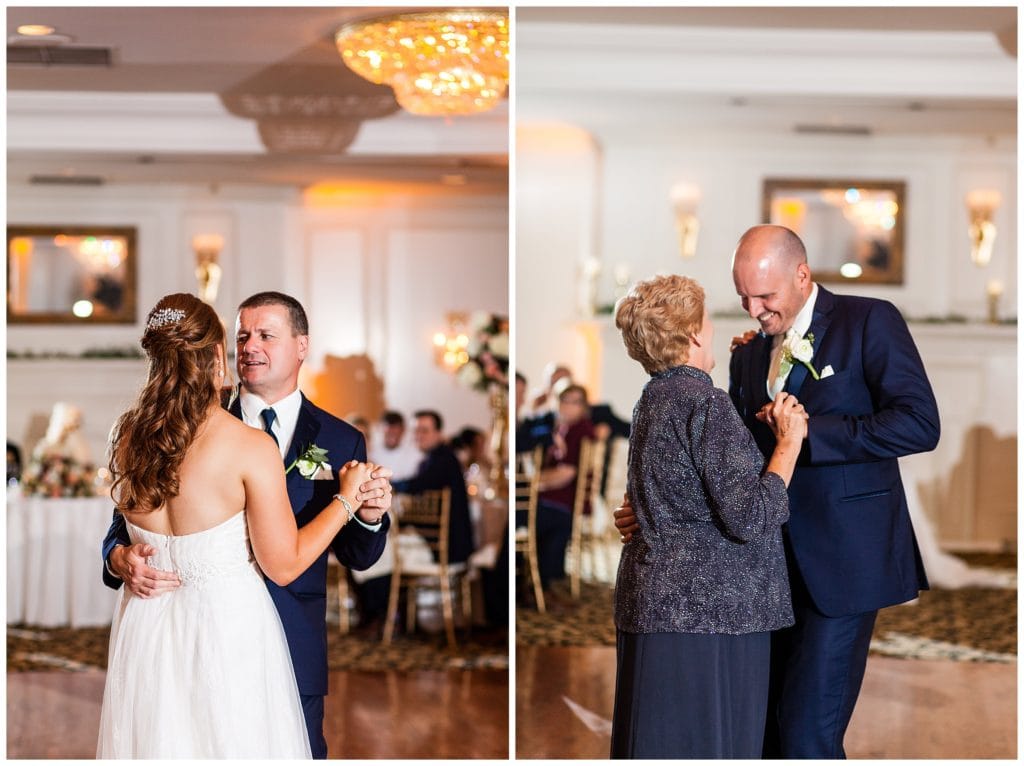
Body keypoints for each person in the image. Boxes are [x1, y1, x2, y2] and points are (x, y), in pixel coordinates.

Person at [616, 225, 940, 758]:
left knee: (809, 732)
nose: (753, 310)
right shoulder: (745, 357)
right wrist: (653, 510)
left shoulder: (869, 321)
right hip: (756, 574)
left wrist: (809, 433)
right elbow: (723, 458)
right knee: (762, 732)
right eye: (743, 296)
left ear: (802, 275)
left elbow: (919, 424)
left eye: (765, 296)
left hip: (843, 562)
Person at [102, 291, 393, 758]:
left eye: (266, 335)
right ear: (219, 353)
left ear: (302, 346)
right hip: (229, 635)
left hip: (265, 643)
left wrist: (370, 515)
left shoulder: (340, 438)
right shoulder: (239, 439)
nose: (250, 345)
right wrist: (118, 558)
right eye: (242, 336)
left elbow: (359, 554)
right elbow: (121, 530)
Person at [610, 274, 805, 758]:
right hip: (712, 616)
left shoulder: (650, 400)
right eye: (709, 320)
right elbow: (750, 516)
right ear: (694, 333)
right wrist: (789, 444)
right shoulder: (706, 402)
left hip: (654, 601)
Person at [531, 384, 595, 594]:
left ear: (583, 406)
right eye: (564, 400)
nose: (567, 406)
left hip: (563, 502)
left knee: (523, 517)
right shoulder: (559, 428)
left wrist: (534, 482)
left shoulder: (582, 430)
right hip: (553, 501)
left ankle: (535, 582)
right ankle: (538, 580)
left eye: (574, 402)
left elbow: (566, 473)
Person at [392, 410, 474, 565]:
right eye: (416, 431)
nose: (419, 436)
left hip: (448, 546)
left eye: (424, 431)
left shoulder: (443, 460)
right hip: (441, 542)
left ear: (438, 433)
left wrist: (387, 484)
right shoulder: (433, 458)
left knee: (386, 550)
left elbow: (416, 485)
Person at [369, 410, 422, 482]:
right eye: (389, 433)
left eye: (395, 433)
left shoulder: (416, 455)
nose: (392, 435)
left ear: (403, 430)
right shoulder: (371, 454)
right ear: (380, 429)